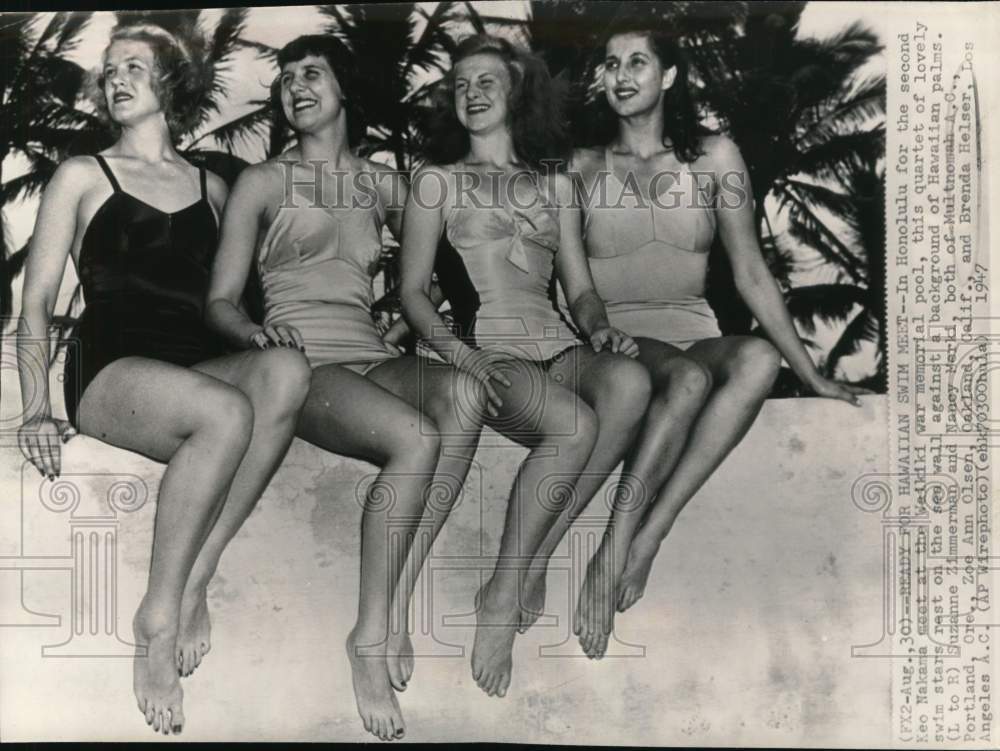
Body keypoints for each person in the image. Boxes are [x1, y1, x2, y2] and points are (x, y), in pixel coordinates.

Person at [15, 24, 311, 735]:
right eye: (109, 70)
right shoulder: (83, 176)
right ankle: (157, 617)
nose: (116, 79)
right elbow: (36, 300)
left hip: (196, 361)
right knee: (223, 413)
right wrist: (33, 408)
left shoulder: (213, 186)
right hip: (112, 367)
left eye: (134, 68)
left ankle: (199, 571)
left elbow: (230, 300)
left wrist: (256, 332)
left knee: (285, 371)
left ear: (170, 84)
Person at [205, 35, 487, 741]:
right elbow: (218, 300)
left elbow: (448, 276)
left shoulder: (385, 184)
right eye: (287, 78)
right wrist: (253, 337)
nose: (297, 86)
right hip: (306, 367)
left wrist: (412, 330)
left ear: (343, 90)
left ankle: (393, 605)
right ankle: (368, 636)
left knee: (464, 395)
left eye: (313, 73)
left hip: (371, 355)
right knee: (415, 436)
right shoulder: (262, 183)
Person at [566, 21, 868, 658]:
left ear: (668, 76)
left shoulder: (714, 156)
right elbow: (571, 283)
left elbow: (751, 271)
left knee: (756, 356)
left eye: (637, 63)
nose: (620, 76)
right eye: (611, 64)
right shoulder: (581, 163)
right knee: (688, 378)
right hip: (616, 339)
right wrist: (598, 330)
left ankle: (647, 534)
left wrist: (811, 375)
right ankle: (611, 551)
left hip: (692, 334)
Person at [400, 34, 652, 699]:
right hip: (488, 351)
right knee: (571, 427)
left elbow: (579, 285)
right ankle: (499, 594)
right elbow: (410, 292)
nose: (472, 93)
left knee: (628, 383)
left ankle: (534, 558)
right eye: (460, 84)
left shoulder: (556, 180)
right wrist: (463, 357)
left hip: (556, 346)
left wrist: (601, 329)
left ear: (517, 93)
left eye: (487, 81)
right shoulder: (436, 180)